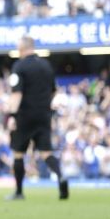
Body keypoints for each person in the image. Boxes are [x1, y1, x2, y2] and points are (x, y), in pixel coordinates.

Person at [6, 35, 68, 200]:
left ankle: (19, 192)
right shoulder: (46, 66)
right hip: (43, 115)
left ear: (23, 48)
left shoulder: (19, 67)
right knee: (46, 152)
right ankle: (61, 176)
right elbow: (54, 91)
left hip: (24, 116)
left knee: (18, 153)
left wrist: (12, 116)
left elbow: (17, 94)